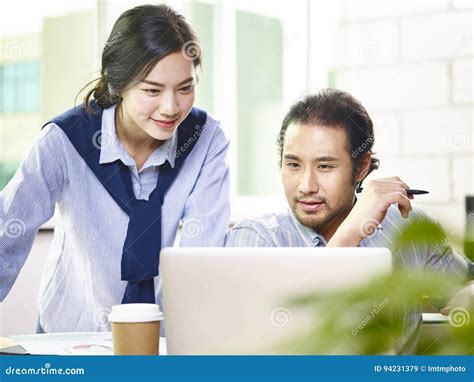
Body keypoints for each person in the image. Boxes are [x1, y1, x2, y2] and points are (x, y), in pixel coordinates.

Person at [0, 4, 230, 335]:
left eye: (185, 87)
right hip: (70, 335)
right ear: (118, 83)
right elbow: (8, 231)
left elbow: (204, 255)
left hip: (160, 339)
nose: (171, 107)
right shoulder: (66, 141)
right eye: (152, 90)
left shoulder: (205, 139)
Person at [225, 88, 473, 353]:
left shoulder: (407, 226)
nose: (306, 186)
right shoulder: (255, 239)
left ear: (362, 166)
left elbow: (461, 286)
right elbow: (285, 352)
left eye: (325, 167)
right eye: (294, 165)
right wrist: (349, 234)